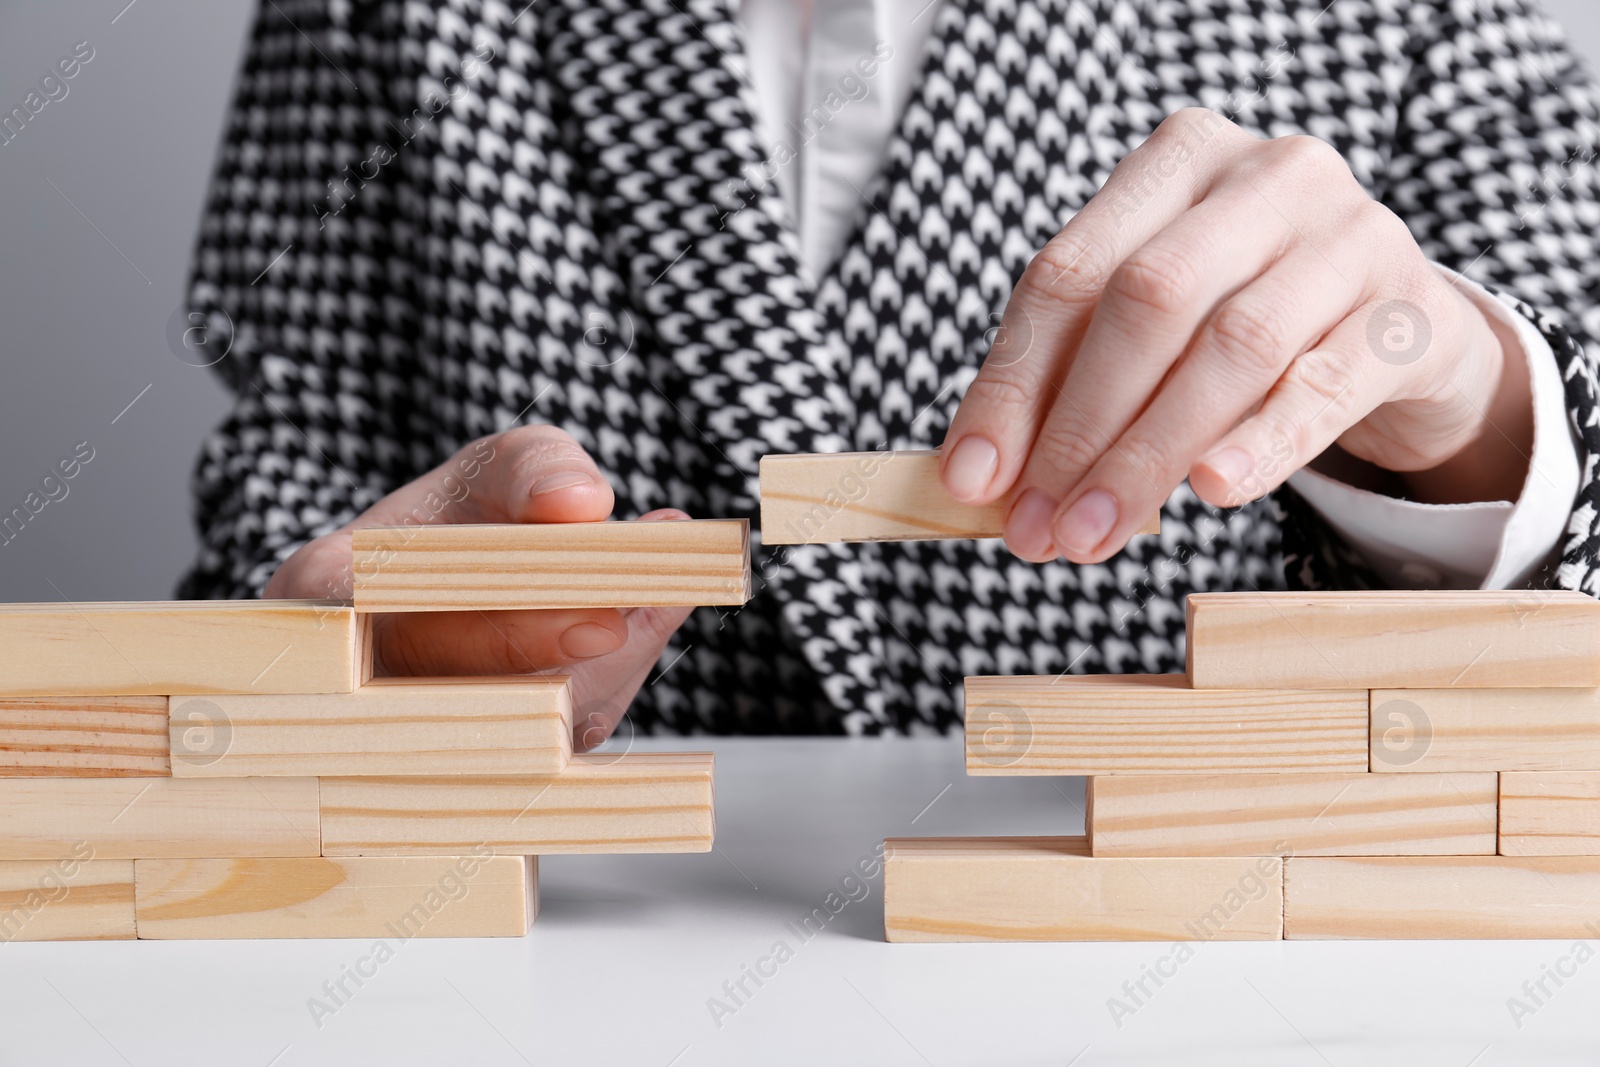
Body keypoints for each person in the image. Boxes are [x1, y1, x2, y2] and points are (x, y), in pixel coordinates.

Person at [178, 0, 1600, 742]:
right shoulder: (384, 15)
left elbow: (1569, 445)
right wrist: (344, 648)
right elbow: (284, 505)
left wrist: (1471, 422)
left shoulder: (1411, 19)